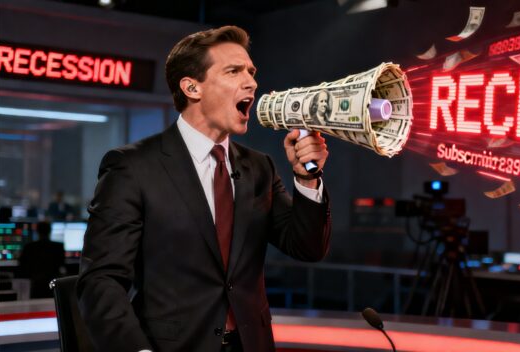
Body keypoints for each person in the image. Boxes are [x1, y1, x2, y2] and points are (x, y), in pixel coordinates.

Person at [76, 26, 331, 352]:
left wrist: (307, 176)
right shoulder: (132, 166)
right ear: (192, 87)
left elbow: (307, 248)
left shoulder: (260, 168)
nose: (252, 82)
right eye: (234, 71)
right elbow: (101, 281)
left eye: (251, 72)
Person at [17, 221, 66, 298]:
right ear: (50, 230)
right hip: (52, 285)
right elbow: (62, 265)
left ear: (37, 231)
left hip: (36, 286)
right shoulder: (58, 247)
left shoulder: (29, 247)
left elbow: (21, 267)